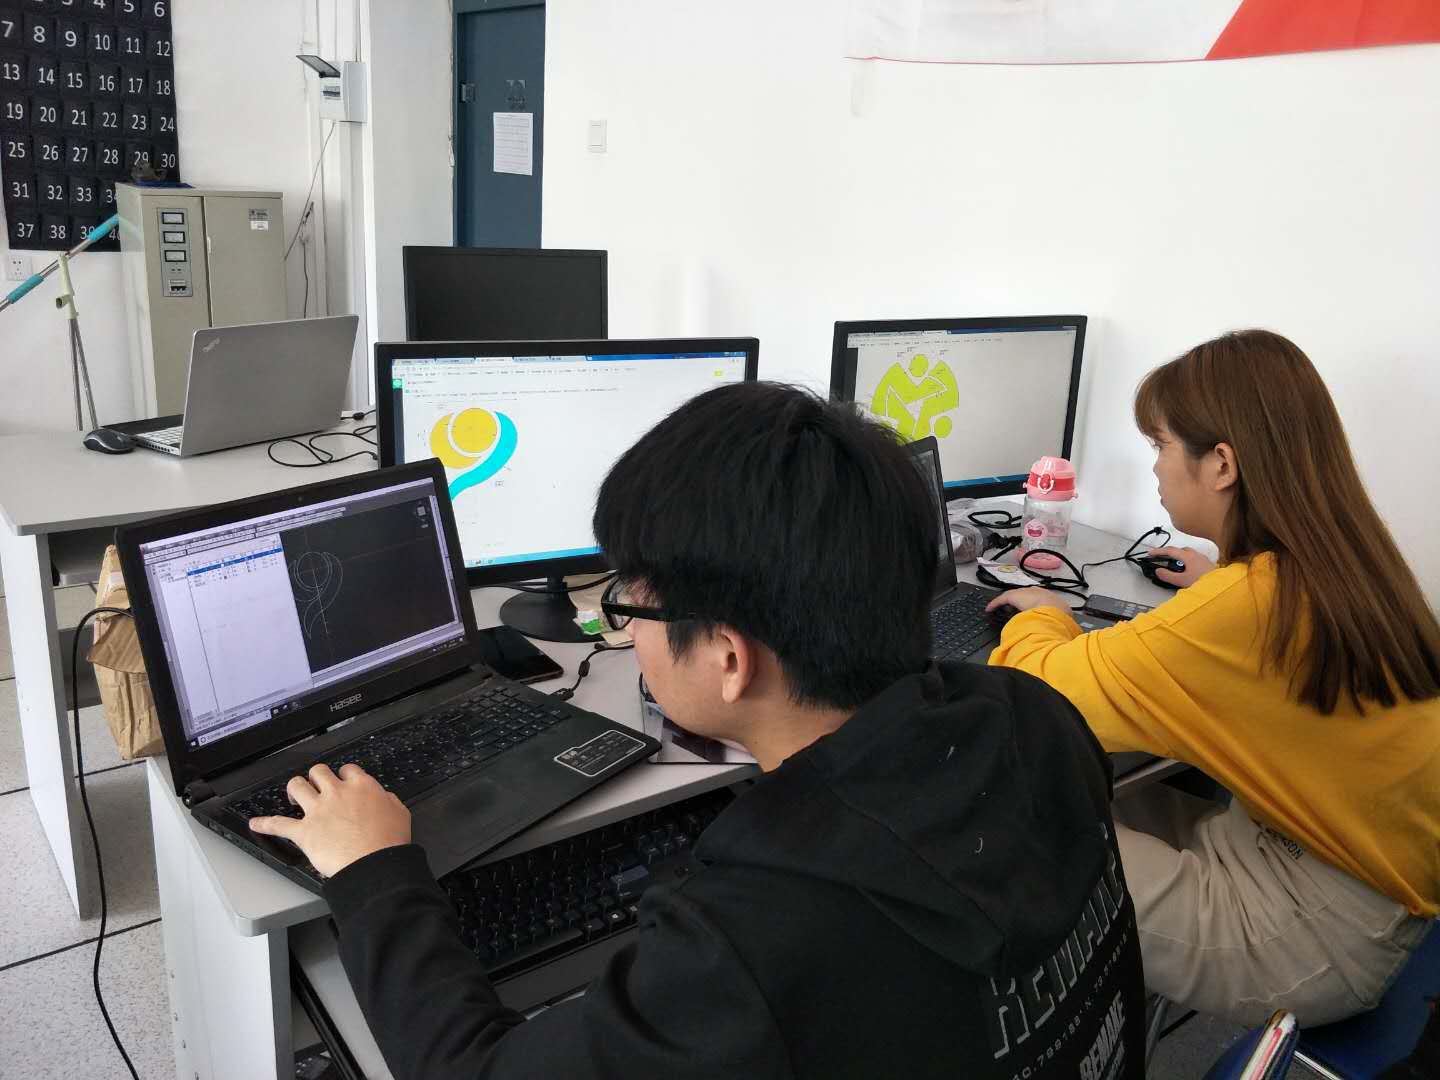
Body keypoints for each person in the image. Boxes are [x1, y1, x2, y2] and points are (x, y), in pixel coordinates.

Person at [251, 382, 1146, 1079]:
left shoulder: (754, 940)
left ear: (727, 656)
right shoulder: (1036, 713)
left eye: (631, 603)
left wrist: (375, 875)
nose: (625, 628)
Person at [987, 329, 1440, 1026]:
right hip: (1351, 880)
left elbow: (1038, 690)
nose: (1157, 469)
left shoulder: (1245, 607)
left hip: (1314, 935)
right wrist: (1217, 584)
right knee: (1070, 791)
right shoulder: (1343, 567)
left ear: (1221, 464)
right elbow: (1257, 635)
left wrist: (1042, 613)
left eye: (1161, 446)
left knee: (995, 822)